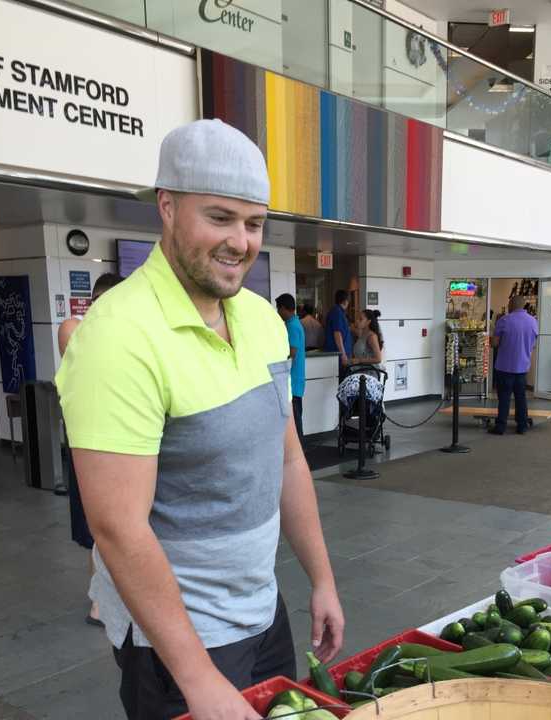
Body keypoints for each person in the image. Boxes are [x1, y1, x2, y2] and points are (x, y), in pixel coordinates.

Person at [55, 119, 344, 720]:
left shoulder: (262, 319)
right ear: (167, 206)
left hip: (262, 611)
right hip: (179, 644)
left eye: (255, 222)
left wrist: (321, 578)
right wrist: (198, 678)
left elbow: (286, 457)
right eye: (219, 217)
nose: (241, 241)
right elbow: (118, 529)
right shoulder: (118, 336)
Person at [58, 271, 123, 628]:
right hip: (90, 446)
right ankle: (100, 601)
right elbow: (86, 361)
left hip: (121, 443)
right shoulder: (75, 328)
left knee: (115, 527)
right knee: (97, 529)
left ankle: (107, 598)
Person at [489, 295, 539, 435]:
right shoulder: (533, 321)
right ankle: (522, 425)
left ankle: (500, 426)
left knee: (504, 398)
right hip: (522, 367)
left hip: (504, 367)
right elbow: (533, 341)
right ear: (523, 306)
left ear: (511, 305)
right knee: (521, 397)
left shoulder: (504, 320)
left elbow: (495, 343)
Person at [276, 293, 306, 441]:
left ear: (283, 308)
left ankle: (299, 446)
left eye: (278, 309)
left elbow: (292, 353)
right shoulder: (295, 323)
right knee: (295, 414)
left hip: (293, 380)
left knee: (295, 416)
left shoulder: (292, 326)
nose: (278, 313)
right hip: (296, 379)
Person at [324, 290, 353, 368]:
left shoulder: (339, 312)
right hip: (338, 356)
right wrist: (343, 354)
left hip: (339, 354)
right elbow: (337, 334)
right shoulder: (337, 312)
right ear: (345, 301)